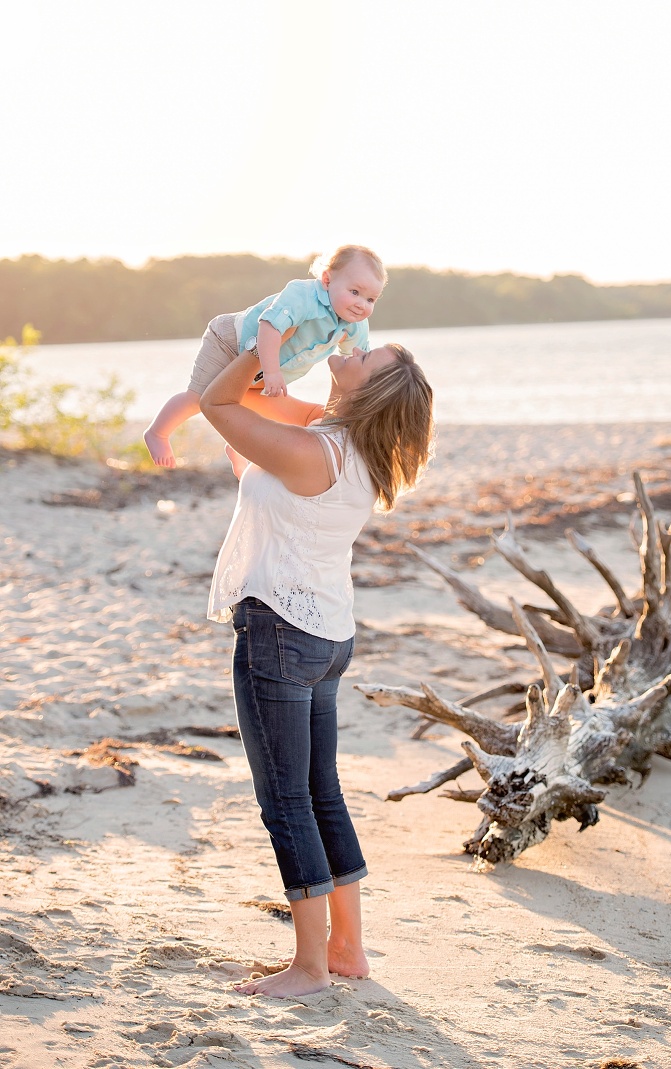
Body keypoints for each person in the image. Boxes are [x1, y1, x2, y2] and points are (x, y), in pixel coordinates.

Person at [200, 340, 434, 998]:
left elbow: (216, 399)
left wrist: (262, 342)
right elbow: (241, 408)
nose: (356, 348)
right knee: (320, 791)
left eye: (371, 358)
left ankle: (308, 968)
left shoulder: (316, 448)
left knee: (287, 802)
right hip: (327, 632)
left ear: (370, 392)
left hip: (281, 630)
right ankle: (346, 948)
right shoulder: (349, 447)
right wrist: (266, 377)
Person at [144, 245, 387, 468]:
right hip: (231, 343)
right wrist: (272, 372)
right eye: (354, 292)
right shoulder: (303, 296)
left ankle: (238, 450)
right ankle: (158, 433)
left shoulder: (355, 325)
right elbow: (270, 328)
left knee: (249, 412)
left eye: (370, 299)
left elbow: (359, 362)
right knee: (200, 396)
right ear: (326, 280)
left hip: (259, 373)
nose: (361, 305)